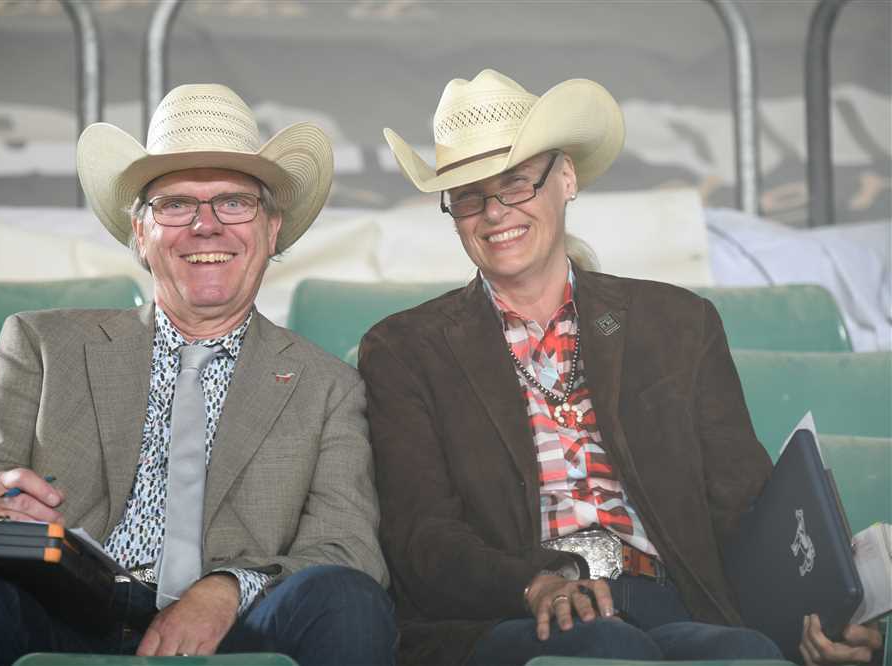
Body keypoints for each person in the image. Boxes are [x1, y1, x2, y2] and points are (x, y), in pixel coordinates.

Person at [358, 69, 884, 666]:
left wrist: (822, 621)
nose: (495, 213)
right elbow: (421, 536)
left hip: (670, 603)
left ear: (566, 179)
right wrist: (534, 585)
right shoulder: (404, 349)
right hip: (514, 612)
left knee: (745, 654)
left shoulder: (678, 323)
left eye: (516, 184)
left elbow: (744, 509)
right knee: (607, 647)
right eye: (469, 197)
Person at [0, 84, 395, 666]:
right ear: (140, 236)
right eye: (176, 204)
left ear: (271, 231)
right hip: (59, 611)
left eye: (233, 202)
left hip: (238, 626)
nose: (206, 226)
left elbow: (347, 548)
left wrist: (228, 589)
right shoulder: (43, 346)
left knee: (346, 599)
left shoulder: (329, 386)